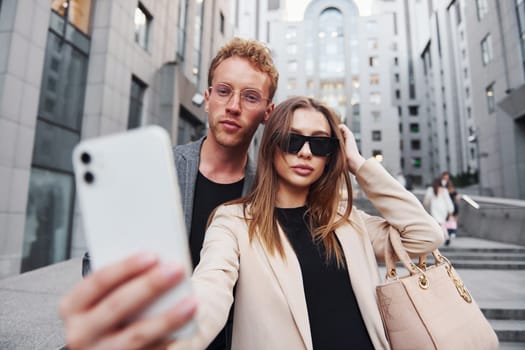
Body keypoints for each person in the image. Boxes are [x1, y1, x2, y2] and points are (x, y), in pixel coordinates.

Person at [170, 96, 443, 349]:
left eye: (321, 143)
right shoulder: (234, 222)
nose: (305, 152)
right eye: (293, 140)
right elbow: (211, 289)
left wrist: (358, 164)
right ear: (272, 145)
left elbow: (425, 235)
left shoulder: (347, 222)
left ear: (331, 155)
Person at [77, 37, 278, 350]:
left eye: (250, 97)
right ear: (208, 97)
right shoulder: (157, 168)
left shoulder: (268, 191)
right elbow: (97, 263)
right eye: (224, 91)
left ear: (268, 111)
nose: (233, 106)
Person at [423, 177, 454, 245]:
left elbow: (427, 200)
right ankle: (445, 237)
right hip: (443, 209)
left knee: (437, 223)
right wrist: (450, 210)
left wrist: (425, 207)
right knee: (441, 223)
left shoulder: (431, 189)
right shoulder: (444, 190)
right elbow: (448, 201)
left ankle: (441, 238)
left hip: (435, 208)